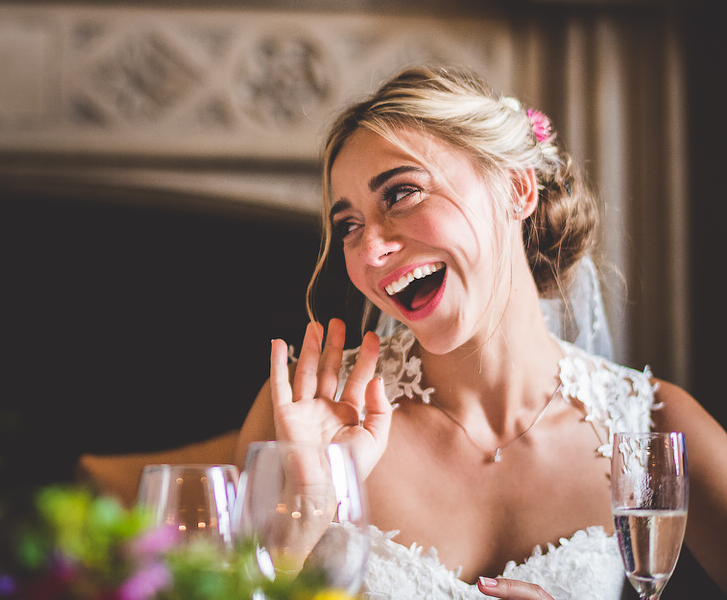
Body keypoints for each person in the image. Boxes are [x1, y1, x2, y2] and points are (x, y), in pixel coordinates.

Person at [235, 64, 727, 600]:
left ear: (516, 189)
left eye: (401, 195)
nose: (371, 250)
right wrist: (302, 513)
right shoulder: (304, 419)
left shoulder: (654, 427)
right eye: (348, 226)